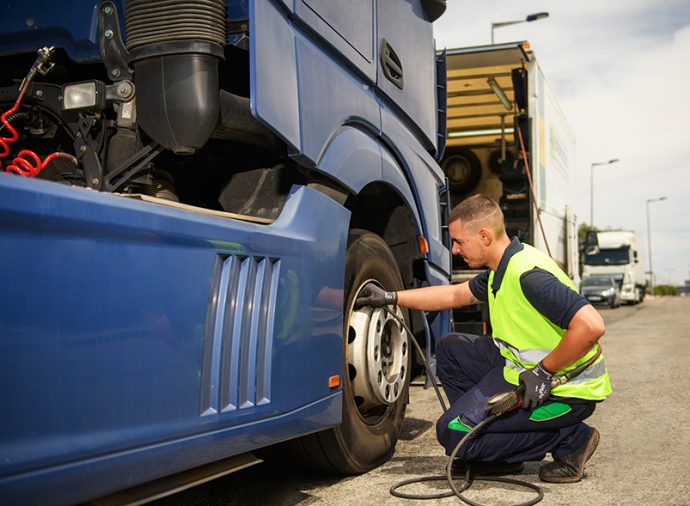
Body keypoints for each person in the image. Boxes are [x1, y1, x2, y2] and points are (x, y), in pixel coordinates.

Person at [356, 194, 611, 483]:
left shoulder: (528, 275)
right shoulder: (498, 270)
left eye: (459, 241)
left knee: (452, 431)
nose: (454, 250)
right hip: (520, 371)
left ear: (485, 236)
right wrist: (391, 297)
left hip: (566, 389)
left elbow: (591, 326)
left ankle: (571, 439)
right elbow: (454, 294)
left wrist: (543, 371)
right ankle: (500, 453)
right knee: (450, 349)